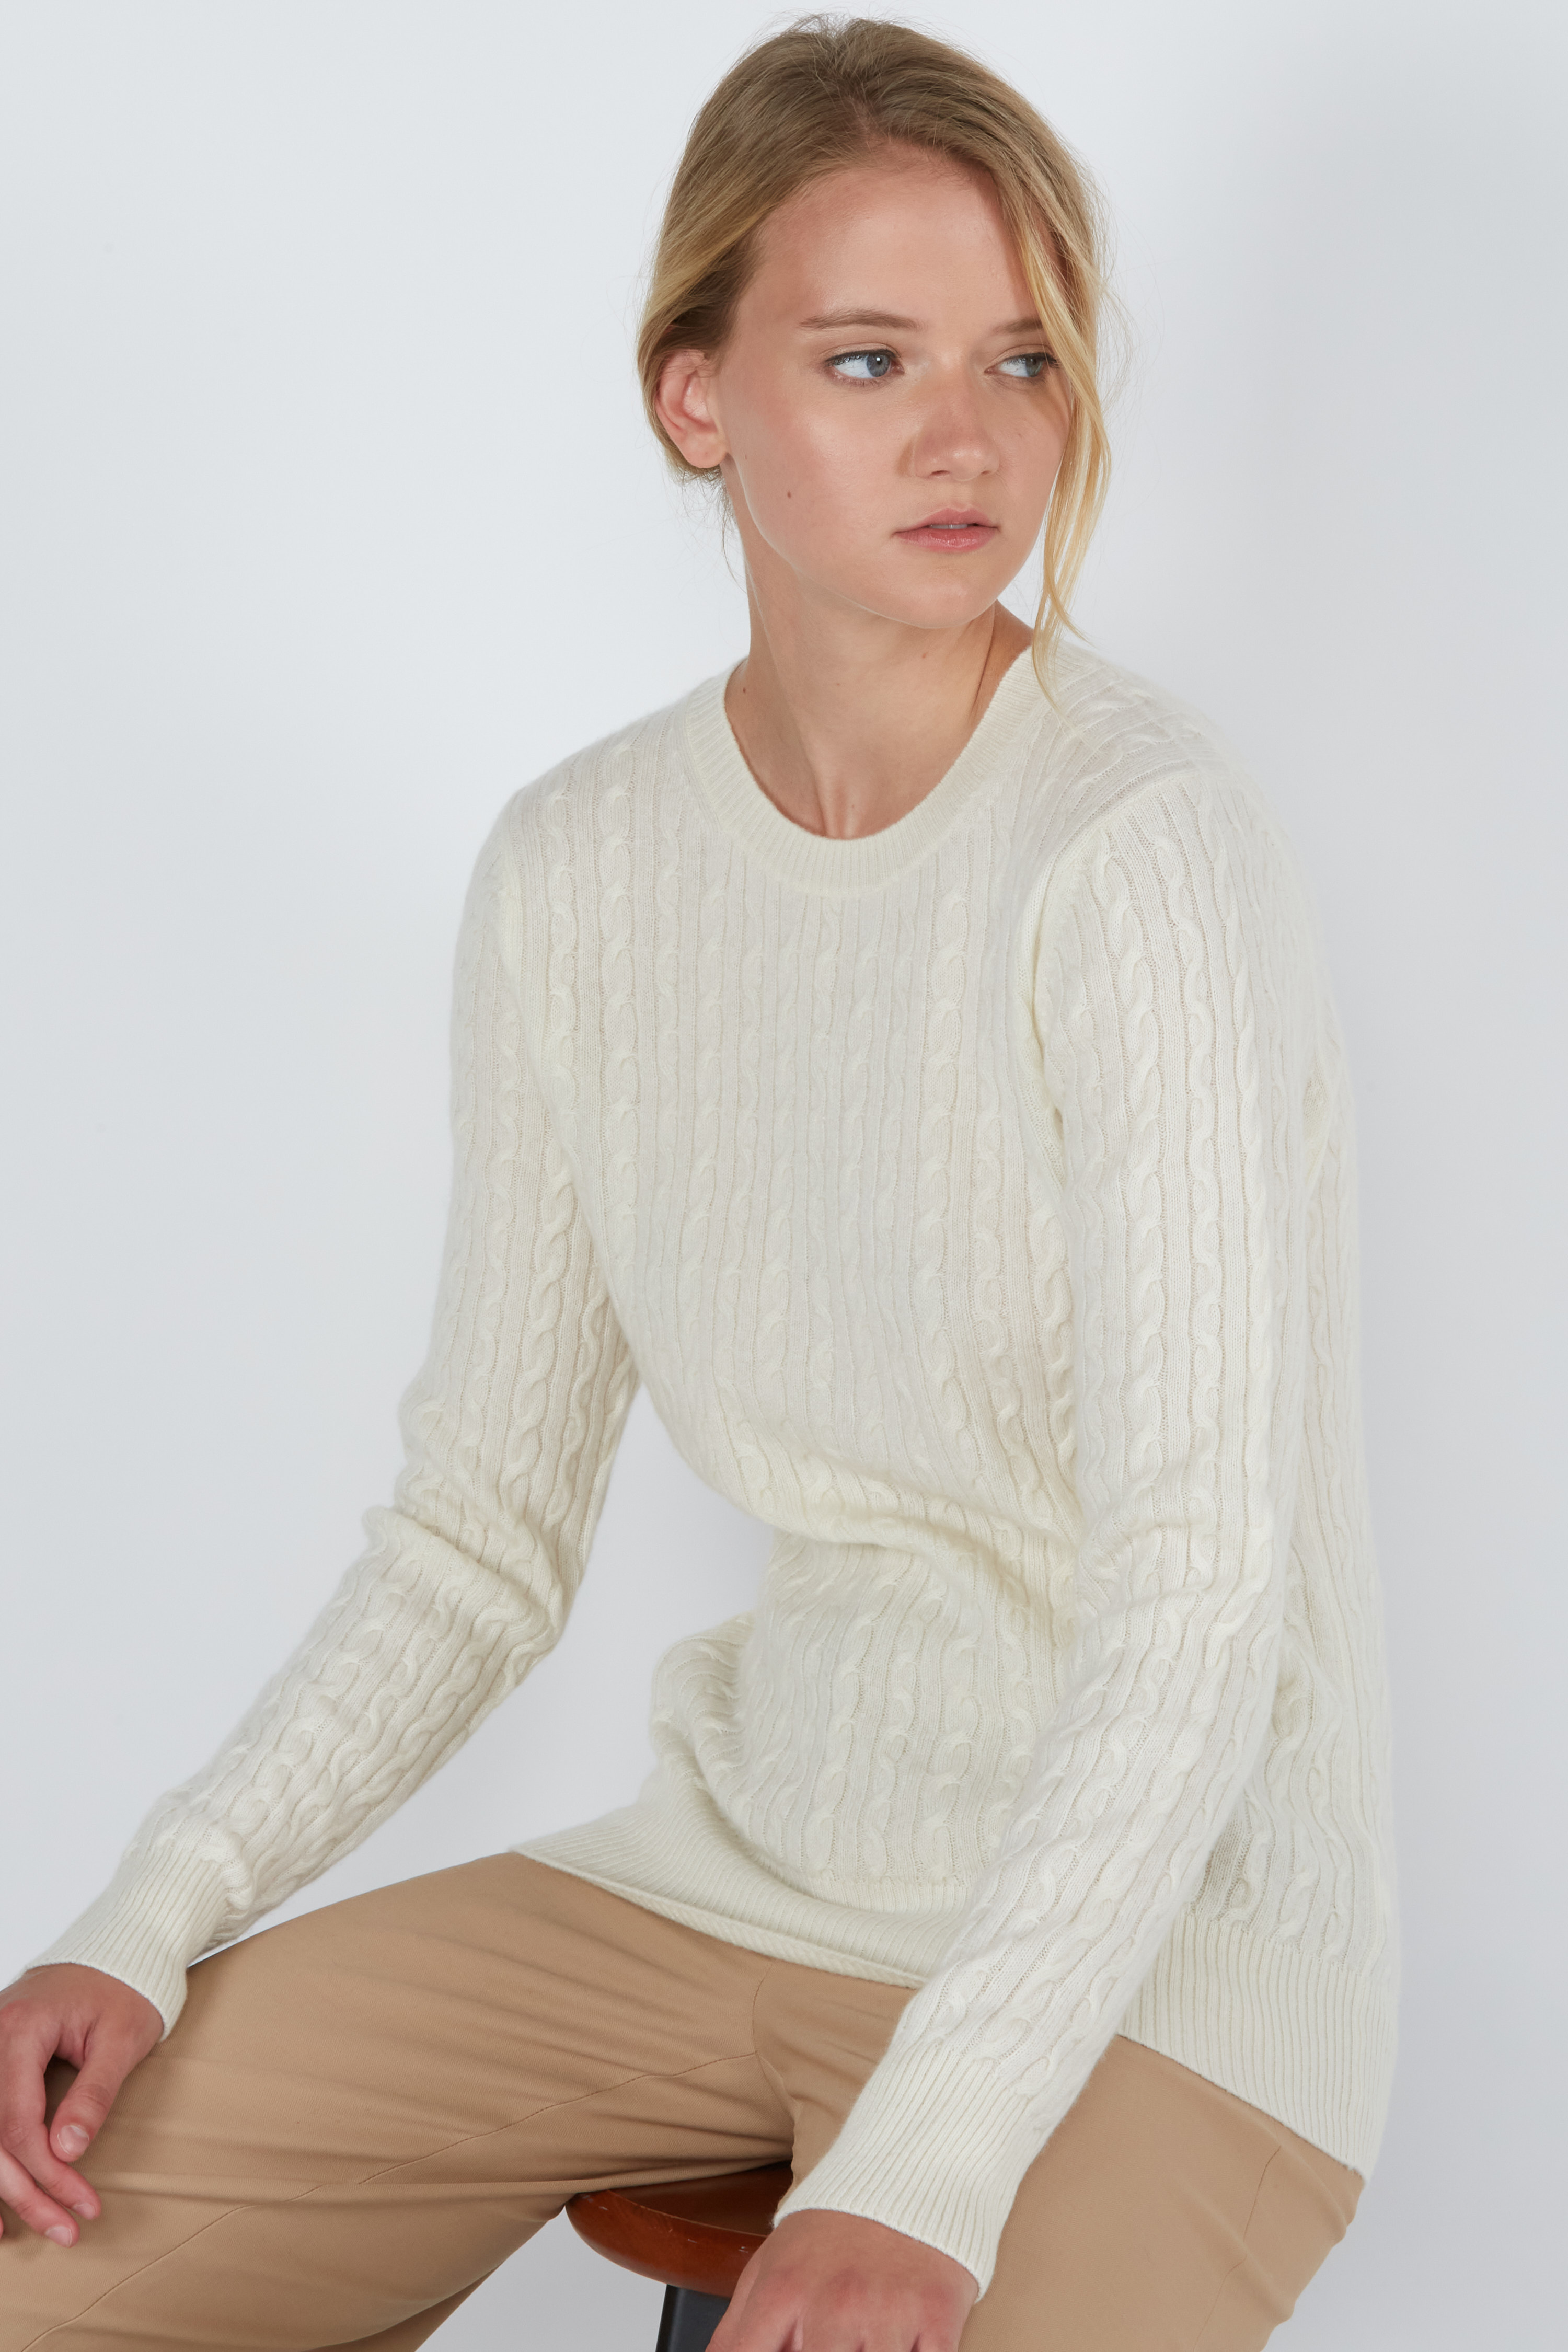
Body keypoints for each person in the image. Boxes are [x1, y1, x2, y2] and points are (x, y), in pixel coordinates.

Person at [0, 17, 1398, 2350]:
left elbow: (1194, 1589)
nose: (971, 437)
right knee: (39, 2255)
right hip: (727, 1887)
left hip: (1168, 1964)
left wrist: (925, 2163)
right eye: (868, 359)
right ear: (695, 399)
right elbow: (477, 1538)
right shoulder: (581, 877)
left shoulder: (1140, 850)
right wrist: (151, 1914)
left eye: (1024, 359)